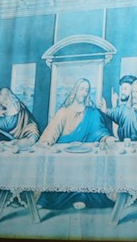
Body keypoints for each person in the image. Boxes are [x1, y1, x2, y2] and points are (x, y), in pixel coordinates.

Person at [36, 78, 114, 210]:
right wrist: (46, 141)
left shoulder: (92, 112)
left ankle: (81, 197)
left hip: (86, 154)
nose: (84, 93)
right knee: (57, 166)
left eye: (87, 90)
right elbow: (53, 130)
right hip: (65, 153)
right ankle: (49, 199)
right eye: (82, 89)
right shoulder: (64, 111)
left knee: (88, 166)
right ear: (75, 90)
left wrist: (107, 138)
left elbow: (99, 130)